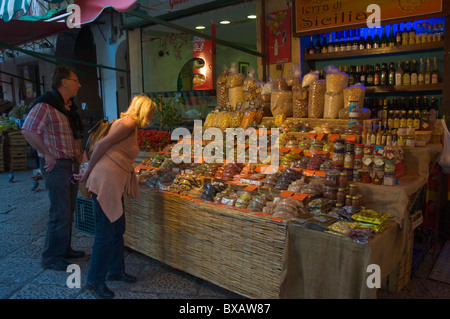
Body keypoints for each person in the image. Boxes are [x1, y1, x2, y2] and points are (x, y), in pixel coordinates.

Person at [74, 94, 156, 299]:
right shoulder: (128, 123)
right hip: (107, 181)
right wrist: (86, 172)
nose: (153, 117)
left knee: (117, 228)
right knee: (105, 232)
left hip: (113, 181)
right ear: (144, 110)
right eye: (152, 112)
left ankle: (116, 271)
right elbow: (101, 145)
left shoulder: (127, 123)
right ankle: (94, 281)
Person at [21, 65, 85, 271]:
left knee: (69, 209)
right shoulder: (45, 105)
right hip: (56, 164)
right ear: (64, 82)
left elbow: (75, 137)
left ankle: (64, 249)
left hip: (70, 163)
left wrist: (82, 161)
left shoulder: (68, 107)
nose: (79, 85)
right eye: (76, 80)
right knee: (59, 211)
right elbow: (28, 130)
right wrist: (46, 154)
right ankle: (50, 256)